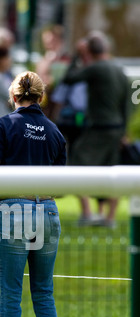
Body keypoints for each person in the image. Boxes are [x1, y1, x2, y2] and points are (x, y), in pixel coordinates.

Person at [0, 71, 66, 317]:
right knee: (44, 293)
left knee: (11, 295)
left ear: (13, 97)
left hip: (12, 212)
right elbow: (60, 187)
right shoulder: (55, 132)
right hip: (48, 211)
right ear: (41, 98)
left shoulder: (2, 125)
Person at [63, 31, 130, 227]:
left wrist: (77, 56)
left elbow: (69, 78)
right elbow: (126, 105)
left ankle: (87, 213)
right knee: (113, 170)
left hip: (99, 128)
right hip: (116, 129)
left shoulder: (96, 69)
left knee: (76, 164)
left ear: (89, 51)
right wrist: (124, 132)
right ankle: (109, 219)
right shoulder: (120, 70)